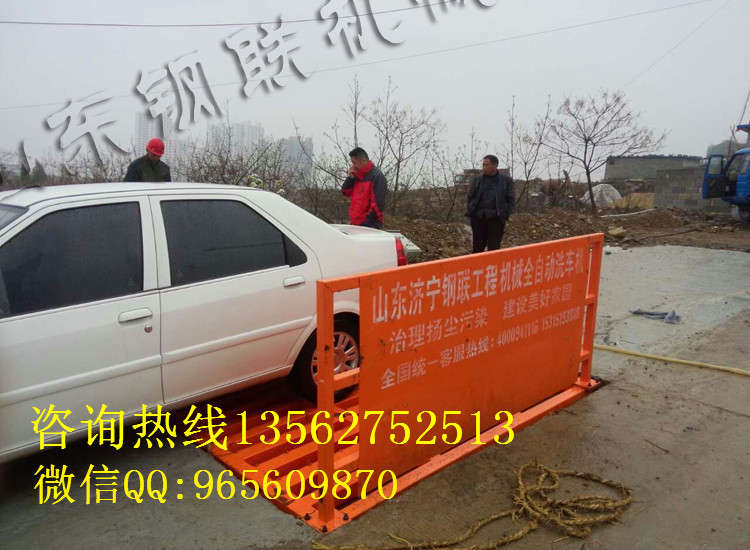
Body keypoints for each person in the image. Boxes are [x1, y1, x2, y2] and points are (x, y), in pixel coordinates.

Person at [466, 154, 515, 253]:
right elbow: (470, 197)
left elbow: (510, 199)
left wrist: (505, 214)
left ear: (495, 165)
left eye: (486, 165)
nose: (484, 167)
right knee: (477, 248)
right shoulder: (477, 180)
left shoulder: (506, 181)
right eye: (483, 165)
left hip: (496, 219)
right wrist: (472, 211)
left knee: (494, 248)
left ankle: (492, 264)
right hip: (478, 219)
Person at [341, 147, 387, 229]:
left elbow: (377, 206)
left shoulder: (377, 177)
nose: (353, 166)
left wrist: (365, 223)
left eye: (354, 163)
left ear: (363, 161)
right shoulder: (357, 176)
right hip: (356, 223)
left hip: (369, 225)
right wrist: (350, 178)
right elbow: (345, 192)